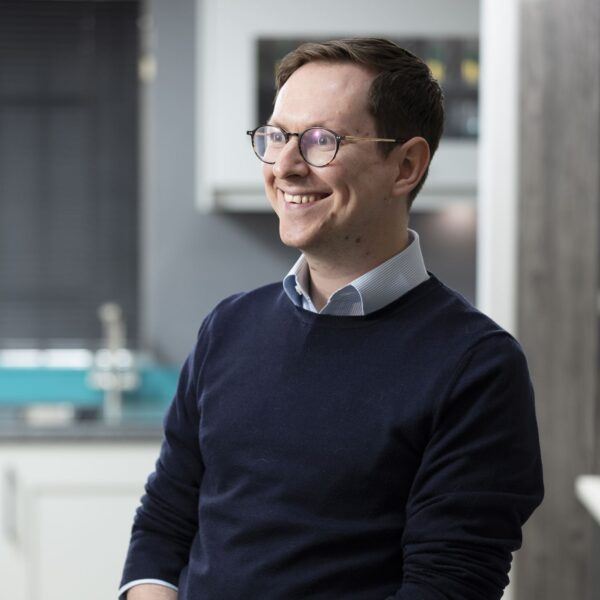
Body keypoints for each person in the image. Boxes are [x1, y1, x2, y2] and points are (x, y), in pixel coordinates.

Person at [119, 38, 544, 599]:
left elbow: (448, 587)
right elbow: (165, 519)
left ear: (406, 165)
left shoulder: (476, 366)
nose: (287, 166)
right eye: (276, 137)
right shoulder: (227, 327)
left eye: (322, 140)